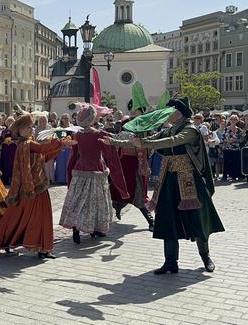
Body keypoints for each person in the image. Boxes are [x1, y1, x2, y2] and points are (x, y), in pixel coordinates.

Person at [105, 97, 224, 274]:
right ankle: (170, 262)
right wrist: (113, 142)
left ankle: (205, 257)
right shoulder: (168, 130)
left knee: (197, 218)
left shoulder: (190, 130)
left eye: (169, 111)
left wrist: (144, 143)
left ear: (178, 112)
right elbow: (144, 141)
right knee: (168, 218)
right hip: (168, 179)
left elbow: (172, 141)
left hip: (188, 179)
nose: (165, 115)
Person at [0, 114, 76, 259]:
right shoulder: (27, 144)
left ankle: (8, 241)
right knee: (37, 217)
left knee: (18, 216)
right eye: (27, 127)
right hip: (33, 187)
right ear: (20, 130)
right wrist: (60, 143)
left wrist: (59, 147)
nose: (31, 129)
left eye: (31, 127)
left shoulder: (28, 143)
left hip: (33, 186)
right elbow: (43, 149)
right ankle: (39, 247)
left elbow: (44, 157)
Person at [60, 104, 128, 243]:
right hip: (96, 169)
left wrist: (70, 172)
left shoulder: (77, 135)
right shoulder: (98, 134)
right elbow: (111, 152)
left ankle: (77, 229)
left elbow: (73, 157)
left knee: (78, 200)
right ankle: (95, 229)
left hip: (80, 170)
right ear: (91, 119)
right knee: (96, 201)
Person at [110, 101, 154, 231]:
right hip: (124, 162)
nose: (133, 111)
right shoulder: (124, 123)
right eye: (131, 109)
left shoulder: (146, 125)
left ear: (141, 110)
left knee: (139, 192)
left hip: (139, 162)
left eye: (136, 109)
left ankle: (150, 220)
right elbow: (118, 140)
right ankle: (118, 207)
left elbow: (150, 144)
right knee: (119, 189)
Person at [221, 114, 244, 182]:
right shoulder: (226, 129)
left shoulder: (239, 130)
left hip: (236, 148)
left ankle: (234, 176)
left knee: (236, 162)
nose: (233, 121)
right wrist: (228, 141)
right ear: (229, 120)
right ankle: (225, 176)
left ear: (237, 120)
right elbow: (222, 138)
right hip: (227, 148)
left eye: (235, 119)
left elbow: (241, 139)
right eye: (232, 119)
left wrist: (235, 140)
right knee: (226, 162)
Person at [54, 114, 73, 184]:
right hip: (61, 148)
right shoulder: (59, 128)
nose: (66, 120)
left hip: (70, 148)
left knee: (69, 163)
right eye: (65, 118)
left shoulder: (72, 128)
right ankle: (61, 179)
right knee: (61, 163)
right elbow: (56, 139)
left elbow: (74, 137)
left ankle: (69, 179)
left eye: (67, 118)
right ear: (62, 119)